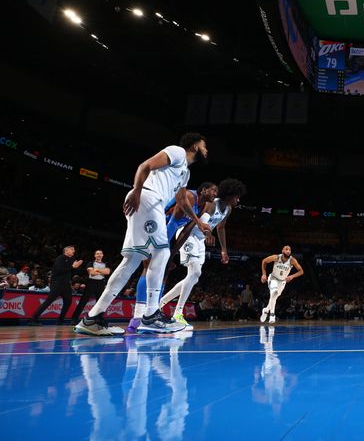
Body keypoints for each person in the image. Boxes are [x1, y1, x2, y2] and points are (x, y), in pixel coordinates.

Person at [75, 133, 211, 336]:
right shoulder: (177, 151)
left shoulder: (185, 172)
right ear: (194, 146)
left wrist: (198, 220)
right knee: (161, 254)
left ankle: (92, 318)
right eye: (204, 145)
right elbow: (144, 166)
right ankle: (150, 316)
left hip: (150, 202)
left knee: (132, 261)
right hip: (146, 197)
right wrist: (137, 191)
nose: (206, 149)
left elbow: (182, 200)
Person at [126, 182, 218, 333]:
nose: (215, 194)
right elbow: (171, 222)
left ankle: (152, 313)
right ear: (203, 190)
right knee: (149, 267)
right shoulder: (189, 196)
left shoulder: (202, 208)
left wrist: (171, 256)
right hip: (155, 226)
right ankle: (137, 317)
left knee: (164, 271)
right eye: (213, 190)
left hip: (166, 231)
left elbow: (185, 232)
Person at [160, 178, 246, 331]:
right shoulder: (212, 204)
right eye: (237, 196)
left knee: (193, 277)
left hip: (200, 241)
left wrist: (224, 249)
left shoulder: (228, 210)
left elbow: (220, 228)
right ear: (229, 194)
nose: (238, 200)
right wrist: (207, 232)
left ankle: (161, 303)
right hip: (189, 235)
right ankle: (177, 314)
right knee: (195, 273)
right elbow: (199, 223)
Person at [30, 245, 83, 325]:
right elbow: (59, 270)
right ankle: (33, 319)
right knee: (48, 301)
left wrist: (76, 267)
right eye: (71, 249)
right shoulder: (60, 258)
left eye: (74, 250)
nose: (73, 251)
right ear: (66, 250)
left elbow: (71, 271)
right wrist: (72, 266)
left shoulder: (72, 259)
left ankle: (60, 320)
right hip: (57, 283)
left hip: (66, 285)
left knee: (68, 302)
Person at [260, 245, 304, 324]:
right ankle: (272, 314)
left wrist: (292, 276)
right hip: (273, 278)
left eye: (290, 250)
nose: (288, 251)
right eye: (286, 249)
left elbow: (301, 271)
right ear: (282, 251)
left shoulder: (292, 260)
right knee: (274, 292)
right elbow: (264, 261)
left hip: (282, 281)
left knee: (274, 298)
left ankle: (266, 310)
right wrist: (264, 274)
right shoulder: (276, 257)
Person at [71, 250, 111, 324]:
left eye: (100, 254)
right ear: (95, 255)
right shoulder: (90, 263)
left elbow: (107, 272)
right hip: (91, 283)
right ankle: (74, 318)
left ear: (103, 255)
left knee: (100, 302)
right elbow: (91, 273)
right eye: (97, 254)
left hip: (101, 283)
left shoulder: (106, 264)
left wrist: (97, 270)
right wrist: (102, 271)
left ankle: (99, 318)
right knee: (83, 301)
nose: (99, 255)